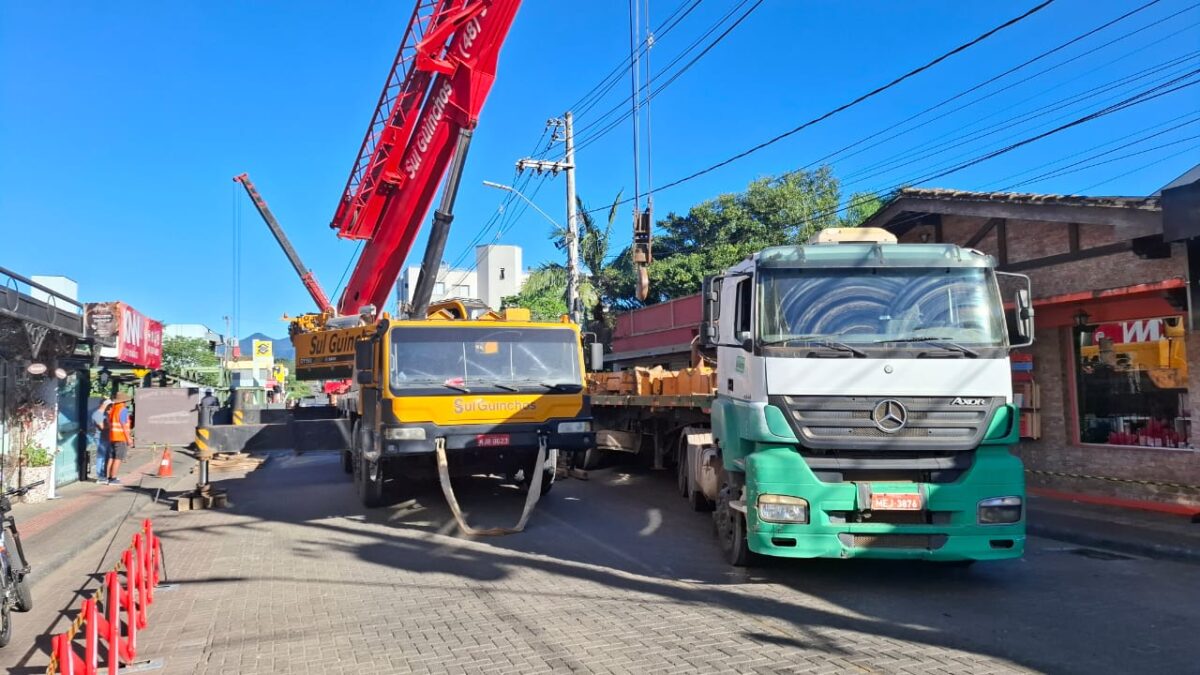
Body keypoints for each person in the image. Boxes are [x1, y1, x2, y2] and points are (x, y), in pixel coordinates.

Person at [106, 392, 134, 485]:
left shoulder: (113, 409)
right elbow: (123, 425)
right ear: (124, 401)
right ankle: (113, 479)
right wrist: (129, 438)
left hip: (112, 437)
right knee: (118, 458)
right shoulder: (123, 409)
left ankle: (108, 477)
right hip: (120, 437)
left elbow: (109, 422)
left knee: (111, 457)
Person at [91, 397, 113, 483]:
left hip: (106, 437)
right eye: (109, 405)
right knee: (101, 457)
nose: (110, 406)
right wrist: (112, 425)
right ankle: (100, 476)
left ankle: (104, 475)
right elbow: (102, 427)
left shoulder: (104, 414)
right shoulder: (97, 414)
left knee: (105, 457)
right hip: (100, 438)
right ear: (104, 404)